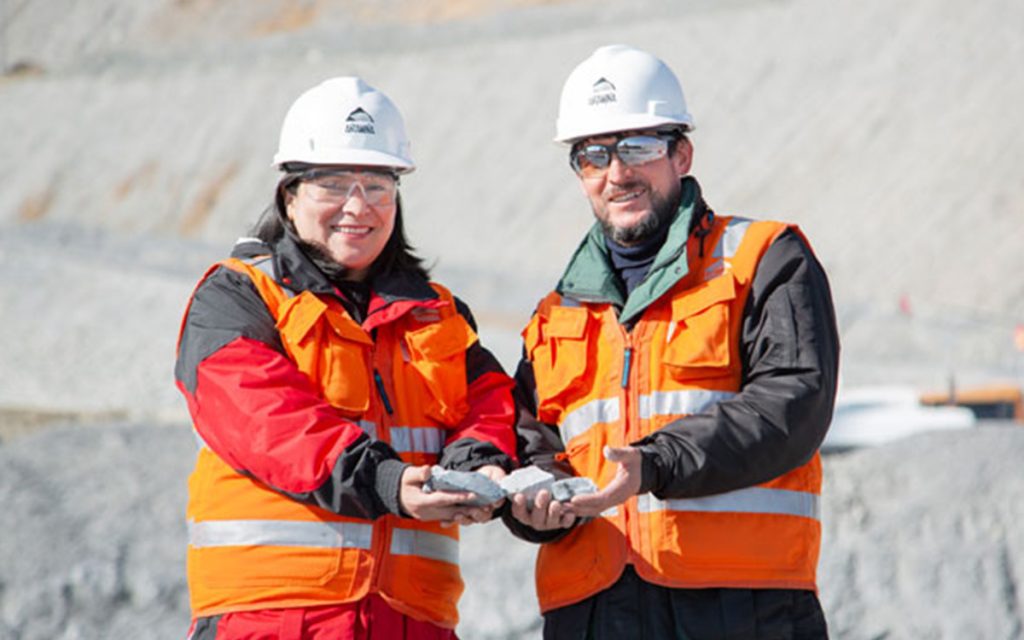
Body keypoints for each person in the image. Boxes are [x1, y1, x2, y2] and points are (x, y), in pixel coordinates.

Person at [504, 45, 840, 639]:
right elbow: (531, 441)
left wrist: (656, 462)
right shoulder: (557, 314)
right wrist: (533, 505)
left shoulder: (762, 259)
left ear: (680, 153)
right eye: (593, 155)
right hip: (593, 613)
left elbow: (794, 403)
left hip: (742, 610)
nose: (617, 173)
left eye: (637, 147)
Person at [174, 76, 517, 640]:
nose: (357, 206)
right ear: (290, 195)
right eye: (332, 183)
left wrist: (475, 463)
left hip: (412, 621)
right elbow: (267, 422)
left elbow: (490, 401)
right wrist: (385, 480)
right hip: (275, 618)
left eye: (378, 184)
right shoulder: (237, 299)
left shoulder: (437, 313)